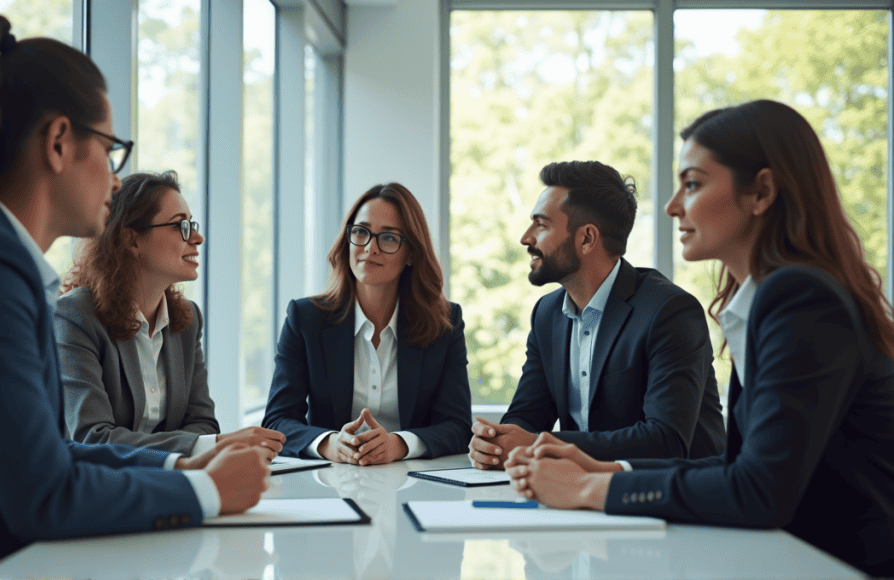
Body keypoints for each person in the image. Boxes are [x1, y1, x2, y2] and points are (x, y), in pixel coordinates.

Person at [0, 15, 269, 576]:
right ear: (59, 142)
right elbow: (44, 495)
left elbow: (49, 460)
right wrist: (207, 493)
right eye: (109, 150)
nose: (113, 179)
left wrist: (184, 468)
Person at [506, 100, 894, 577]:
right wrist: (602, 469)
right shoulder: (776, 296)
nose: (672, 206)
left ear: (762, 192)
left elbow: (759, 492)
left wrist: (590, 491)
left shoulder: (800, 298)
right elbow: (737, 466)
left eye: (692, 184)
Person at [469, 161, 726, 469]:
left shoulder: (669, 311)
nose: (526, 238)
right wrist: (495, 441)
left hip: (672, 500)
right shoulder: (547, 314)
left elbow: (665, 440)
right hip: (580, 492)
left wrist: (540, 444)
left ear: (587, 238)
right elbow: (528, 417)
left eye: (541, 225)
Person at [56, 170, 285, 457]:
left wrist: (205, 446)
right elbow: (92, 438)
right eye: (181, 226)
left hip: (170, 483)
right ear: (132, 240)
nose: (198, 238)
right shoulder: (75, 316)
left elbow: (202, 423)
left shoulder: (187, 320)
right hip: (99, 491)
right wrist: (212, 446)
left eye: (193, 225)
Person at [262, 182, 472, 464]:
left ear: (411, 253)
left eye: (388, 238)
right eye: (360, 232)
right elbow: (277, 420)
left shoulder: (445, 323)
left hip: (412, 481)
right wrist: (330, 443)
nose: (369, 248)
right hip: (328, 482)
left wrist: (398, 444)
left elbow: (458, 426)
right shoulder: (305, 318)